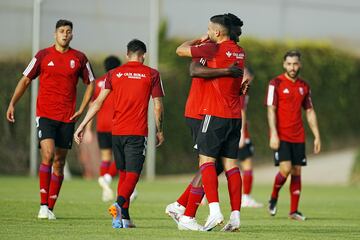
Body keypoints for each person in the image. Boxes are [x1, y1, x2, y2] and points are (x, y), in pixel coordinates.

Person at [6, 19, 95, 220]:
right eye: (61, 31)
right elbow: (26, 79)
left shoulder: (79, 58)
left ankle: (51, 208)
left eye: (68, 31)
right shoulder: (42, 55)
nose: (65, 34)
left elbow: (91, 82)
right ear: (55, 34)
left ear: (72, 35)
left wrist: (81, 108)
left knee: (59, 161)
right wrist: (12, 103)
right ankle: (43, 205)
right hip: (45, 115)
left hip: (67, 117)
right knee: (47, 154)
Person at [74, 39, 165, 229]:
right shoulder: (152, 74)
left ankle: (124, 218)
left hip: (117, 132)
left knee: (123, 174)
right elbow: (157, 106)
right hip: (137, 132)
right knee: (133, 174)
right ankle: (118, 204)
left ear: (127, 54)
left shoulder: (113, 74)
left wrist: (82, 124)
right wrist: (159, 129)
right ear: (144, 55)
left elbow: (97, 102)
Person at [173, 14, 247, 232]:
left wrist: (199, 39)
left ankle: (214, 211)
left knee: (206, 163)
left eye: (209, 29)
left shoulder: (211, 48)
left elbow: (181, 50)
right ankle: (235, 217)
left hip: (213, 114)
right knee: (231, 166)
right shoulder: (240, 52)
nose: (207, 32)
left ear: (216, 32)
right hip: (234, 115)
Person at [265, 50, 321, 221]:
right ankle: (273, 197)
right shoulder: (275, 83)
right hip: (281, 135)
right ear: (284, 65)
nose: (292, 67)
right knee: (286, 169)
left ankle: (293, 211)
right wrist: (273, 133)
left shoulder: (304, 86)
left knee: (297, 171)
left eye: (295, 64)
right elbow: (271, 110)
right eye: (289, 64)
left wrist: (317, 135)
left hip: (299, 135)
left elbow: (310, 111)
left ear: (300, 65)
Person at [84, 55, 138, 202]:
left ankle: (105, 188)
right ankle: (121, 186)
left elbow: (92, 105)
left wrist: (88, 129)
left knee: (106, 158)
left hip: (102, 127)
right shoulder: (121, 80)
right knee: (124, 158)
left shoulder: (99, 83)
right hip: (117, 126)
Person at [238, 67, 263, 208]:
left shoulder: (242, 89)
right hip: (238, 131)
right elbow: (241, 112)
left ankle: (203, 194)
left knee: (218, 165)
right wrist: (241, 133)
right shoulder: (241, 90)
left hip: (231, 129)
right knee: (246, 164)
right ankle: (245, 198)